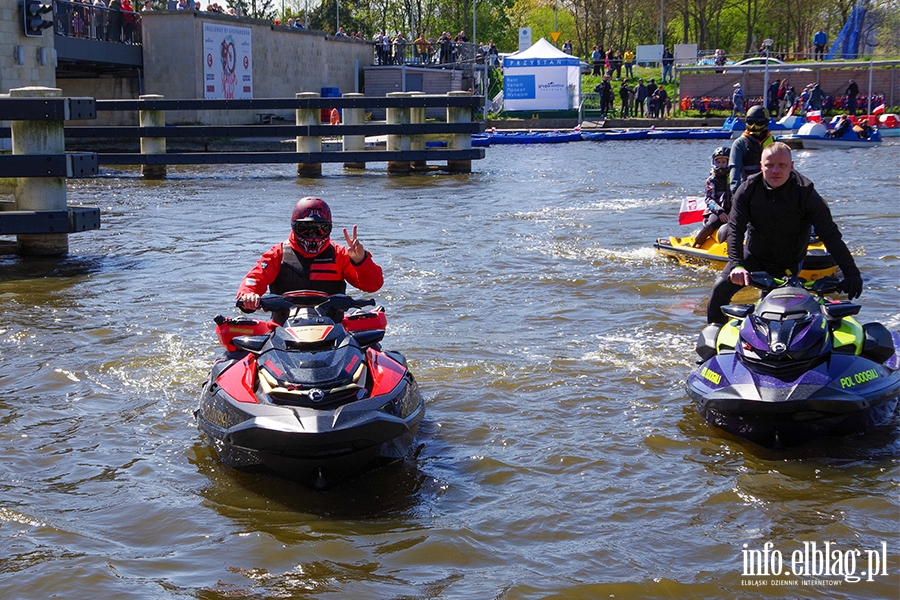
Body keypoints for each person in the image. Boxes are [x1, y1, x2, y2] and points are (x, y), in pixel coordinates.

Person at [706, 142, 862, 324]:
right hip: (754, 256)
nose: (775, 171)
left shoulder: (806, 193)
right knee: (719, 290)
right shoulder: (747, 189)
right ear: (761, 165)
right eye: (769, 165)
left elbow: (830, 236)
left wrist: (851, 273)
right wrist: (736, 265)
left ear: (792, 166)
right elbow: (735, 230)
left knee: (780, 313)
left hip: (788, 261)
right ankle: (714, 340)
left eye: (782, 166)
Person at [236, 197, 384, 321]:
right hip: (283, 331)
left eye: (321, 229)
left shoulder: (341, 254)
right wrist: (249, 295)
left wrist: (361, 260)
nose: (313, 236)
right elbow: (255, 278)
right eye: (305, 229)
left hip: (334, 329)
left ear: (329, 229)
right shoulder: (277, 254)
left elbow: (373, 285)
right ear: (294, 227)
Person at [728, 105, 774, 194]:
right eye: (750, 122)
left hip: (771, 190)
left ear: (766, 122)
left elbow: (785, 167)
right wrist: (735, 193)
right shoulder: (740, 144)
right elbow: (735, 170)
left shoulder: (774, 142)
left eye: (759, 122)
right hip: (747, 190)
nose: (754, 126)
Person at [694, 147, 732, 248]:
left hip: (732, 209)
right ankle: (697, 243)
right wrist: (720, 212)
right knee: (712, 224)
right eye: (718, 162)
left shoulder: (734, 178)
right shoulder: (711, 179)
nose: (721, 164)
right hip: (716, 211)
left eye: (723, 162)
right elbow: (709, 199)